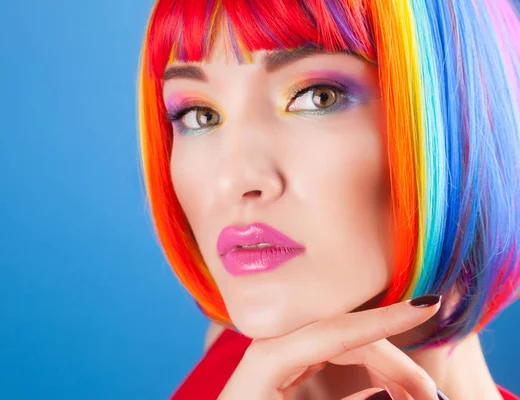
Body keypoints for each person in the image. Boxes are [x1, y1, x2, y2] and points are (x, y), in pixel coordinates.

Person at [137, 0, 520, 399]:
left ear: (460, 121)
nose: (232, 179)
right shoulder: (232, 365)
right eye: (200, 115)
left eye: (318, 96)